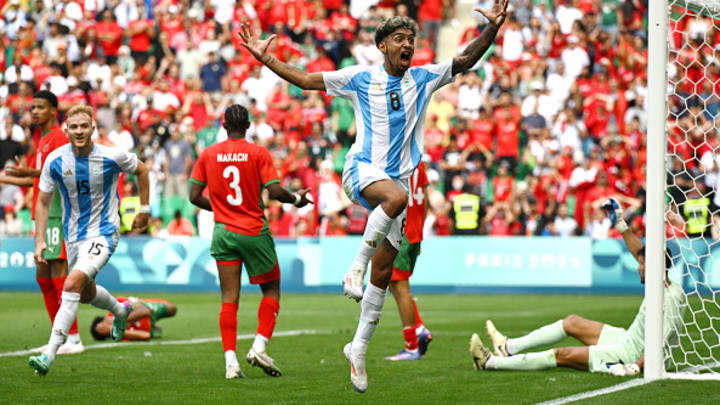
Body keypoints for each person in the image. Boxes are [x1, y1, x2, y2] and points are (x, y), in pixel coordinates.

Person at [237, 0, 509, 393]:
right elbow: (305, 79)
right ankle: (354, 268)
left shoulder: (425, 77)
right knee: (394, 205)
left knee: (385, 275)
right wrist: (267, 60)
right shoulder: (359, 79)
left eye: (411, 39)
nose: (408, 45)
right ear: (382, 45)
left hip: (398, 183)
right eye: (399, 38)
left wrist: (492, 29)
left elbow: (465, 58)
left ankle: (358, 348)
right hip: (362, 171)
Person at [469, 198, 686, 376]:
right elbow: (641, 253)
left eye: (642, 265)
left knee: (562, 355)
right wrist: (621, 225)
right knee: (572, 322)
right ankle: (508, 347)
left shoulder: (669, 298)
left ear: (654, 267)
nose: (638, 268)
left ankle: (490, 363)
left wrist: (635, 366)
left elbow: (660, 339)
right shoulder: (660, 281)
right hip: (626, 338)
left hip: (630, 354)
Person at [189, 105, 312, 380]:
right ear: (248, 126)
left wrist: (220, 209)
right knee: (271, 291)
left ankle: (230, 364)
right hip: (254, 231)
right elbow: (276, 191)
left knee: (228, 300)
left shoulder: (208, 154)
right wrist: (297, 199)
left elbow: (194, 196)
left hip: (223, 232)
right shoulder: (258, 153)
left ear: (223, 126)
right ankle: (258, 346)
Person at [28, 105, 151, 376]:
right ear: (66, 130)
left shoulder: (110, 155)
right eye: (74, 127)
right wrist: (39, 240)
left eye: (84, 126)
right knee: (85, 293)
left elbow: (142, 170)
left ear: (93, 128)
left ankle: (50, 352)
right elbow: (43, 202)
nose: (79, 131)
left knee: (70, 284)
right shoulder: (56, 161)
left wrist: (144, 210)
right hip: (73, 237)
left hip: (104, 233)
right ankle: (120, 311)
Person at [0, 90, 84, 354]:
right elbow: (37, 179)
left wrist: (30, 172)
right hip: (43, 215)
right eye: (33, 107)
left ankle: (73, 338)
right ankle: (57, 336)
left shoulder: (59, 137)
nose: (34, 111)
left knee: (59, 272)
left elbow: (64, 171)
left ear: (52, 111)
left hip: (58, 213)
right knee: (42, 276)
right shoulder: (42, 140)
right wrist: (6, 178)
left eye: (40, 107)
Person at [385, 162, 433, 361]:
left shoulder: (392, 162)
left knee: (399, 286)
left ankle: (412, 345)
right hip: (414, 232)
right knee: (394, 284)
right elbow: (426, 200)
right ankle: (419, 328)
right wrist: (420, 233)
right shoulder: (418, 164)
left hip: (401, 231)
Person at [90, 297, 178, 341]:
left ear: (104, 319)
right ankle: (154, 326)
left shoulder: (116, 305)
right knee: (158, 333)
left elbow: (145, 311)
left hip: (146, 309)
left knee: (173, 310)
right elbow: (146, 336)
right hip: (147, 328)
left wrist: (119, 321)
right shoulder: (120, 336)